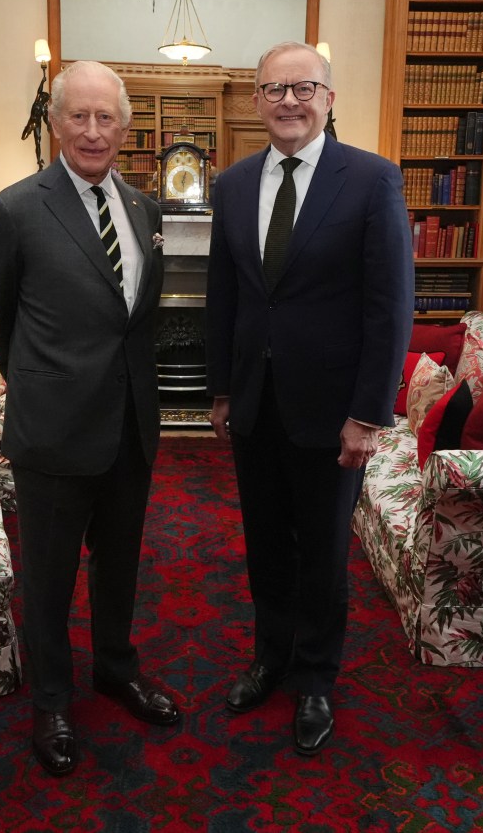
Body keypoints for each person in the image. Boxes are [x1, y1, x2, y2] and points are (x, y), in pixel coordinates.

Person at [205, 41, 414, 756]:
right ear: (256, 100)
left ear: (329, 96)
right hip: (256, 405)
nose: (288, 101)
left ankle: (317, 678)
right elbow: (224, 295)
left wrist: (369, 412)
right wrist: (222, 387)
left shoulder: (372, 179)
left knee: (323, 552)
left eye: (303, 87)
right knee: (265, 542)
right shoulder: (232, 184)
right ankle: (271, 657)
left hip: (334, 412)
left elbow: (391, 308)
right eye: (273, 89)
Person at [0, 60, 179, 778]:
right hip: (54, 429)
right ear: (55, 121)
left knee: (119, 564)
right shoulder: (14, 207)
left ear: (127, 129)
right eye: (79, 116)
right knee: (51, 578)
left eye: (107, 118)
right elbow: (5, 324)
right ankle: (52, 701)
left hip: (130, 424)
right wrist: (46, 386)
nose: (94, 130)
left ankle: (115, 669)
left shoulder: (148, 209)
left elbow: (138, 322)